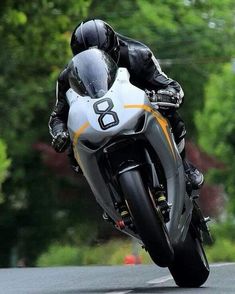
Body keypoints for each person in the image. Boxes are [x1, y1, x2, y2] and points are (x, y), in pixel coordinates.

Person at [48, 19, 203, 189]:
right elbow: (58, 116)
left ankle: (184, 167)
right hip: (97, 121)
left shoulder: (138, 55)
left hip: (138, 108)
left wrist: (164, 96)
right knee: (74, 156)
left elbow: (171, 87)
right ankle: (108, 194)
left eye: (102, 58)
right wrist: (59, 132)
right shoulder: (68, 77)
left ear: (114, 49)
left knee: (173, 116)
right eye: (88, 62)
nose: (95, 65)